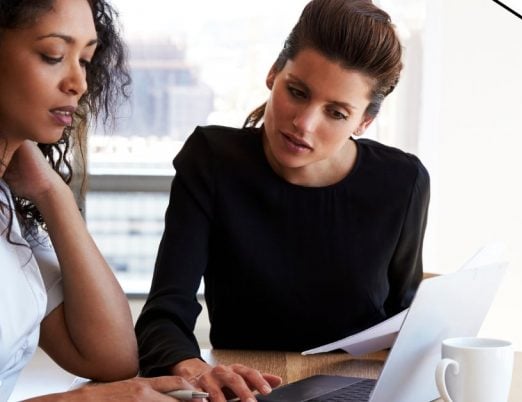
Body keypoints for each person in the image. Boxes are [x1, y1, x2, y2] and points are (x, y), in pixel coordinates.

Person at [135, 0, 430, 400]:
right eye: (297, 91)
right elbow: (163, 315)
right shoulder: (211, 160)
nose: (304, 124)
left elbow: (404, 321)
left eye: (337, 113)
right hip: (249, 393)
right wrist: (196, 371)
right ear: (274, 74)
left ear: (364, 122)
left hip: (360, 392)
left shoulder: (402, 182)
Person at [0, 0, 196, 400]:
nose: (79, 83)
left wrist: (52, 193)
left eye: (86, 59)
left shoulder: (8, 206)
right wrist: (87, 399)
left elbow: (111, 357)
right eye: (53, 55)